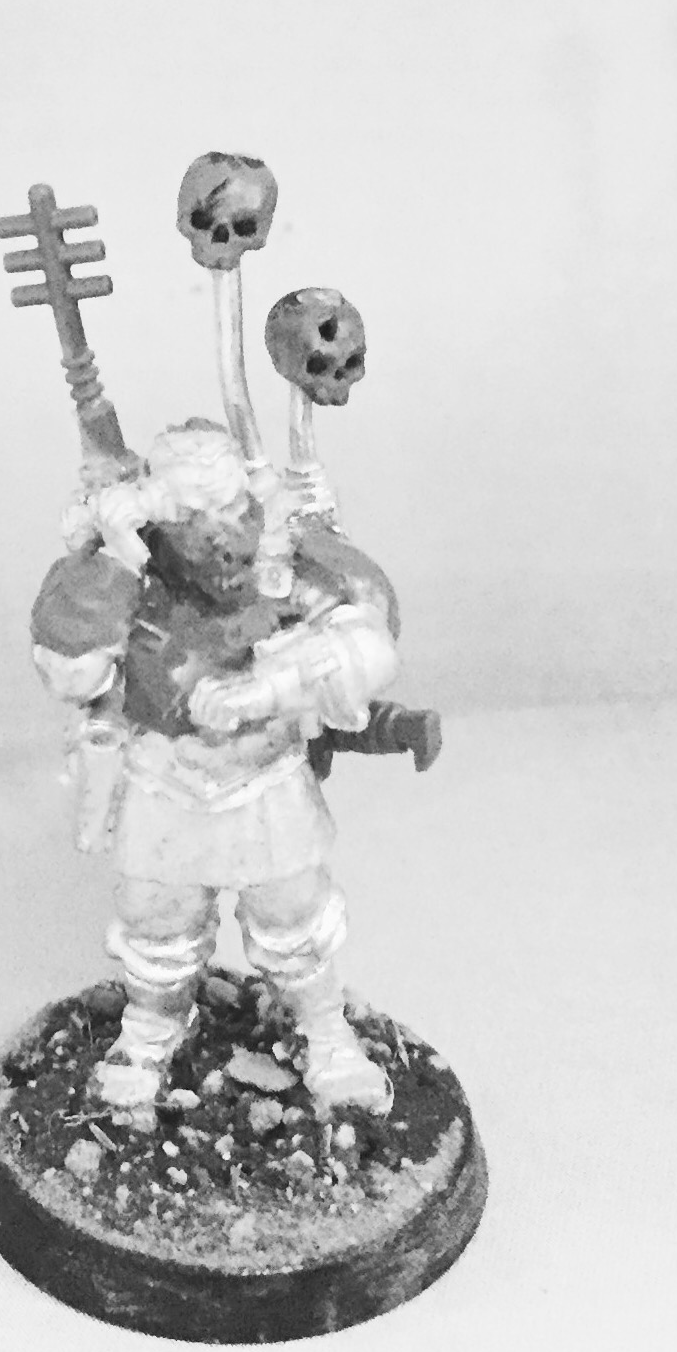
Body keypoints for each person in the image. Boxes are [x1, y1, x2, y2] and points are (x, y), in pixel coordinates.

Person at [30, 419, 400, 1120]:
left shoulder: (283, 562)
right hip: (163, 777)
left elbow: (370, 641)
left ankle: (326, 1033)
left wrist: (270, 687)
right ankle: (150, 1032)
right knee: (157, 920)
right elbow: (71, 670)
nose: (220, 537)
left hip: (264, 775)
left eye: (231, 509)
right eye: (194, 518)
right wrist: (113, 559)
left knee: (293, 914)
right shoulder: (129, 577)